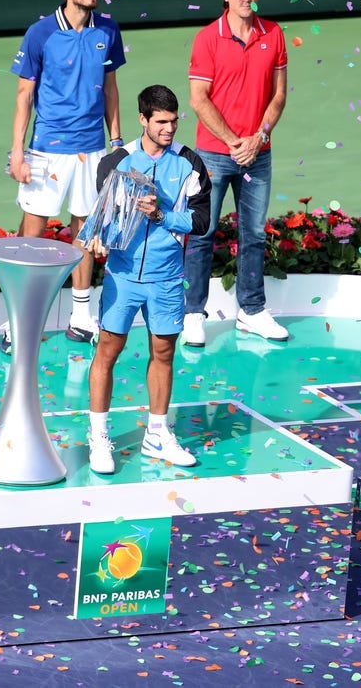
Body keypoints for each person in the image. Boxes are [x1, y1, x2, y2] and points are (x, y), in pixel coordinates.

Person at [84, 85, 212, 475]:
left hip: (166, 277)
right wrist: (98, 239)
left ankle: (157, 435)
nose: (169, 129)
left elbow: (203, 222)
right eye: (161, 122)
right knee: (108, 350)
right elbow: (103, 216)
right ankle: (99, 436)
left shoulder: (190, 164)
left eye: (174, 121)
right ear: (143, 119)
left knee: (164, 353)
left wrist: (162, 217)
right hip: (122, 276)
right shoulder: (115, 162)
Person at [3, 0, 126, 353]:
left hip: (90, 149)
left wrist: (117, 142)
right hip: (46, 151)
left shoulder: (108, 29)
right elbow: (24, 96)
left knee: (85, 233)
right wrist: (17, 153)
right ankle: (18, 317)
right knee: (32, 236)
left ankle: (79, 315)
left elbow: (110, 88)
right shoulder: (40, 34)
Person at [183, 0, 289, 347]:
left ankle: (252, 311)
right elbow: (199, 100)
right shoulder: (207, 39)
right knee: (200, 234)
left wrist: (258, 137)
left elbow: (278, 95)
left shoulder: (274, 34)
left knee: (255, 234)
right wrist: (233, 141)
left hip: (258, 153)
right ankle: (193, 314)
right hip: (213, 154)